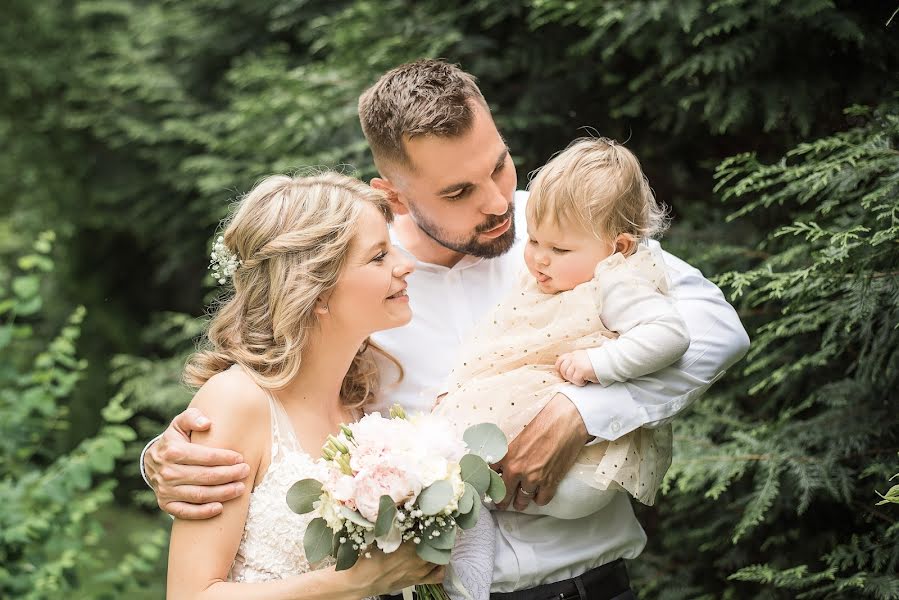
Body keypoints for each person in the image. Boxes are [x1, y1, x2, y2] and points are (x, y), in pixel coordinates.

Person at [145, 60, 750, 599]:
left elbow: (713, 329)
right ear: (395, 197)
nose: (496, 202)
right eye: (458, 191)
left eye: (501, 165)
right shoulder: (372, 292)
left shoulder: (563, 223)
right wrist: (175, 457)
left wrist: (584, 409)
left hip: (594, 581)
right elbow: (287, 410)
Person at [164, 172, 444, 599]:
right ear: (316, 291)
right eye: (378, 256)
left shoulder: (363, 399)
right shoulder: (235, 402)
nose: (405, 263)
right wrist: (354, 584)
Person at [436, 136, 690, 599]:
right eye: (533, 240)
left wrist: (600, 364)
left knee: (459, 484)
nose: (538, 258)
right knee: (458, 473)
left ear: (620, 246)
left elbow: (670, 336)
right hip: (548, 458)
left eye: (559, 249)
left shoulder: (619, 280)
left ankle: (463, 568)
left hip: (578, 477)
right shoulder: (561, 273)